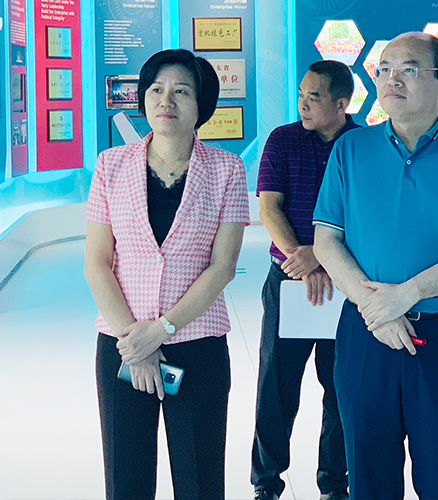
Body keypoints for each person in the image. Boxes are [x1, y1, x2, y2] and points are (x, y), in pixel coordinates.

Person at [313, 32, 438, 500]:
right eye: (383, 69)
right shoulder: (351, 149)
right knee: (368, 476)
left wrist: (408, 294)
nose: (391, 79)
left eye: (408, 69)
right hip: (366, 334)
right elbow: (326, 241)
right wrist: (376, 309)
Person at [84, 48, 250, 499]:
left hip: (197, 343)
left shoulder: (227, 170)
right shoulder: (111, 165)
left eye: (181, 91)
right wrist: (135, 343)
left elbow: (223, 267)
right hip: (122, 344)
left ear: (202, 104)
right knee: (126, 479)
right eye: (156, 89)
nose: (166, 100)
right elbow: (97, 263)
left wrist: (161, 330)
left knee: (199, 480)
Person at [251, 60, 357, 500]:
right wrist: (305, 259)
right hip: (290, 279)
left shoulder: (364, 145)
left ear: (341, 103)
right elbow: (269, 207)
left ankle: (335, 483)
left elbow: (367, 215)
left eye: (314, 97)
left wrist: (323, 256)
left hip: (346, 283)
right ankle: (266, 482)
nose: (303, 104)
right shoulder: (283, 139)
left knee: (342, 389)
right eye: (300, 94)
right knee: (276, 386)